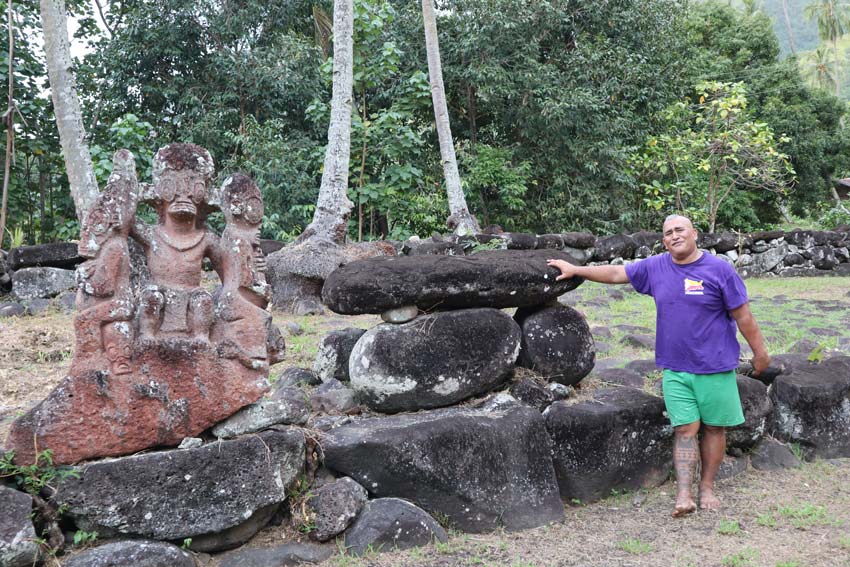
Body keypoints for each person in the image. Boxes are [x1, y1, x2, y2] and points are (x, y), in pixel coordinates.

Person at [547, 214, 769, 517]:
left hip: (715, 365)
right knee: (686, 429)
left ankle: (707, 487)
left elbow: (743, 316)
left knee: (715, 428)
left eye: (680, 230)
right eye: (668, 233)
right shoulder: (656, 267)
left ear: (694, 234)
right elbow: (616, 273)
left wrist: (760, 354)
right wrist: (576, 269)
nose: (674, 236)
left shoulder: (719, 271)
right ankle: (684, 494)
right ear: (664, 240)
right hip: (676, 367)